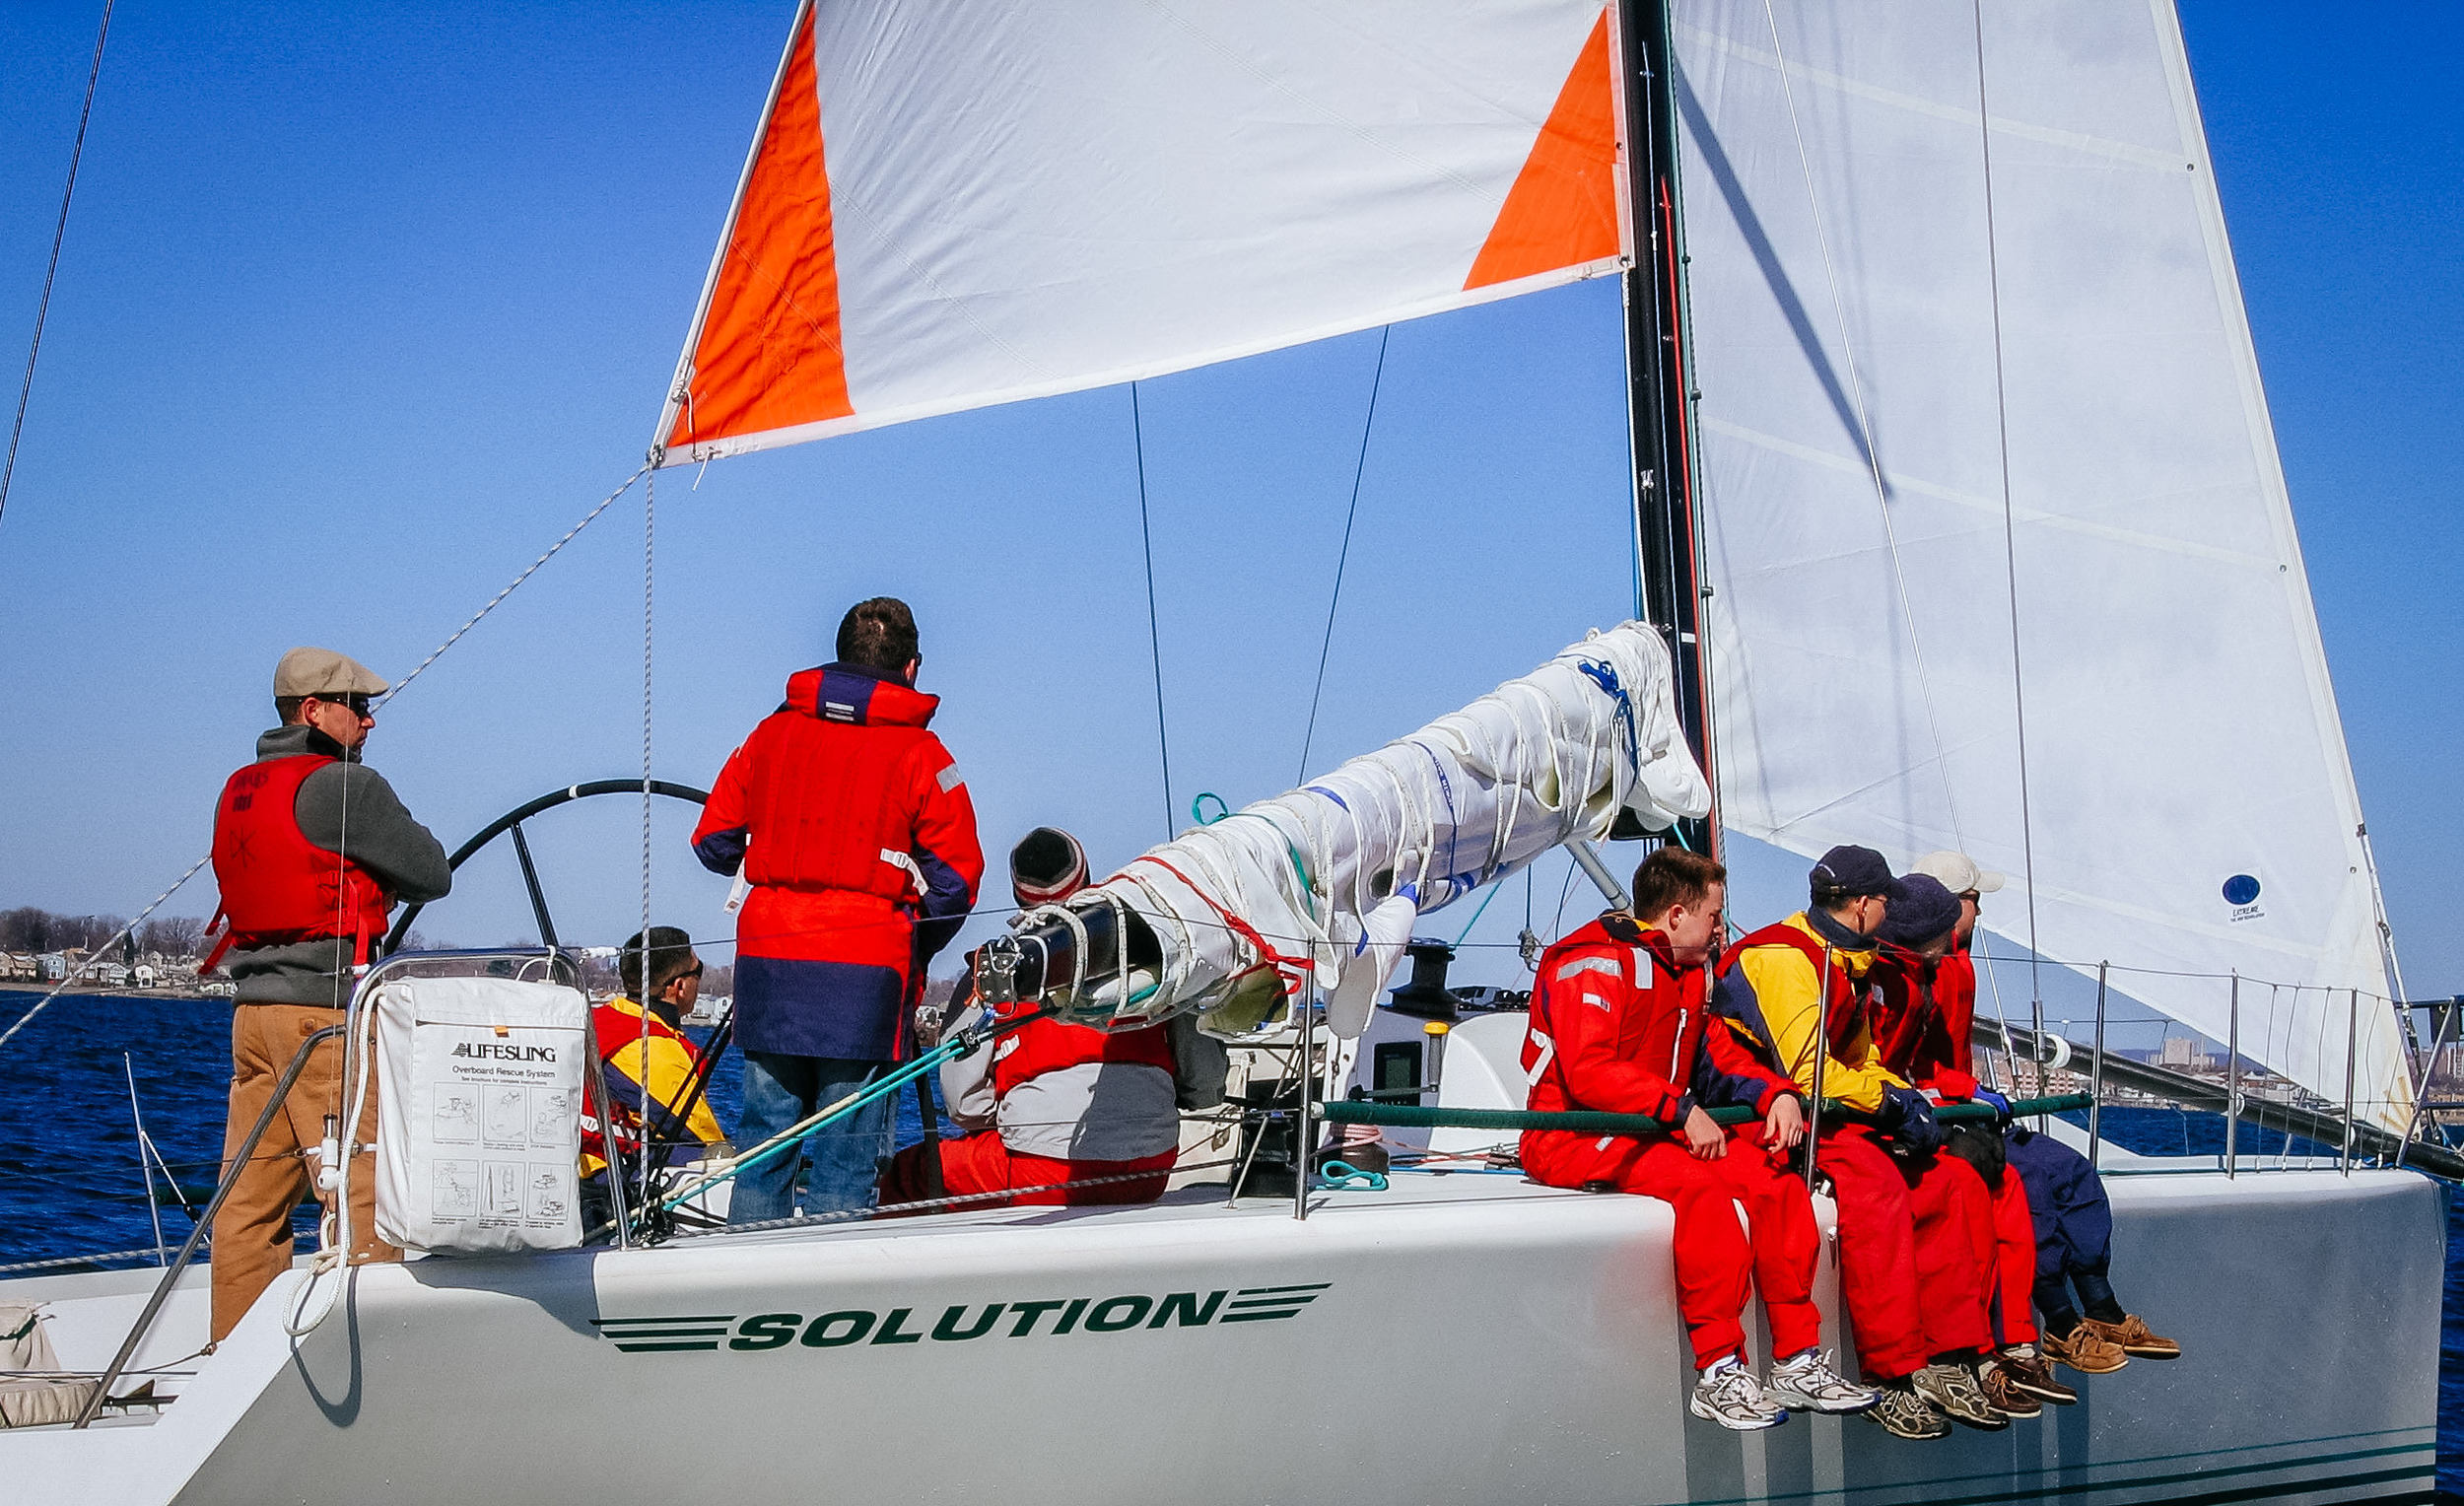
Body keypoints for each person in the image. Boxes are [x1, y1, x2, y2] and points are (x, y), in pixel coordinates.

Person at [1521, 848, 1876, 1432]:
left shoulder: (1689, 977)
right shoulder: (1593, 964)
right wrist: (1680, 1111)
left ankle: (1795, 1357)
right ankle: (1720, 1370)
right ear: (1678, 914)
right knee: (1701, 1194)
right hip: (1571, 1134)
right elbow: (1589, 1072)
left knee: (1775, 1183)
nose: (1721, 929)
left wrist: (1776, 1094)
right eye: (1715, 916)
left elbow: (1721, 1052)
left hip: (1654, 1125)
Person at [692, 598, 984, 1221]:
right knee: (847, 1153)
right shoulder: (925, 757)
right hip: (867, 973)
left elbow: (712, 843)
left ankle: (746, 1280)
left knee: (764, 1143)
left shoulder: (769, 735)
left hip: (771, 963)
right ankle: (823, 1288)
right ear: (912, 668)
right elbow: (957, 881)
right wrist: (917, 939)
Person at [1709, 846, 2001, 1440]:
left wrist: (1907, 1096)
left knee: (1948, 1179)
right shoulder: (1789, 959)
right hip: (1766, 1110)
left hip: (1825, 1105)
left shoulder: (1844, 958)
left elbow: (1857, 1059)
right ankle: (1892, 1371)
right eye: (1886, 900)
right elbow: (1809, 1071)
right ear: (1864, 905)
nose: (1890, 910)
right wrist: (1890, 1104)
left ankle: (1950, 1353)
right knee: (1878, 1187)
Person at [205, 647, 450, 1340]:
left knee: (248, 1202)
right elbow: (432, 871)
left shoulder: (240, 788)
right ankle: (373, 1352)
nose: (370, 723)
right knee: (360, 1185)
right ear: (313, 711)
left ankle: (232, 1357)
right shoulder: (349, 789)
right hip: (324, 1016)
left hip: (253, 1018)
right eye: (359, 707)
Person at [1906, 850, 2179, 1372]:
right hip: (1938, 1113)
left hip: (1965, 1106)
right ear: (1946, 905)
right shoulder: (1923, 968)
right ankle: (2058, 1321)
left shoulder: (1958, 964)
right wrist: (1963, 1092)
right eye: (1973, 900)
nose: (1979, 912)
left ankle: (2100, 1306)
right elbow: (1908, 1060)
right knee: (2024, 1181)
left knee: (2069, 1167)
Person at [879, 828, 1213, 1211]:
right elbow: (1203, 1084)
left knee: (911, 1173)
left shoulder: (988, 977)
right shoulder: (1152, 961)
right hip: (1148, 1172)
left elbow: (965, 1108)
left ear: (1019, 895)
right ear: (1087, 881)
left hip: (1039, 1170)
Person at [1869, 874, 2066, 1414]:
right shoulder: (1879, 975)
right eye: (1969, 904)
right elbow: (1876, 1067)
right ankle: (1958, 1353)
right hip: (1875, 1122)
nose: (1970, 918)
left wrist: (1961, 1091)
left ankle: (2013, 1339)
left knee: (2004, 1182)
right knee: (1964, 1184)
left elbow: (1919, 1065)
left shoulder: (1923, 975)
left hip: (1920, 1109)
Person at [579, 926, 730, 1238]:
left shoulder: (603, 1019)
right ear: (678, 986)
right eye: (698, 971)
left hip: (585, 1170)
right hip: (610, 1186)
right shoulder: (652, 1048)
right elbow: (704, 1140)